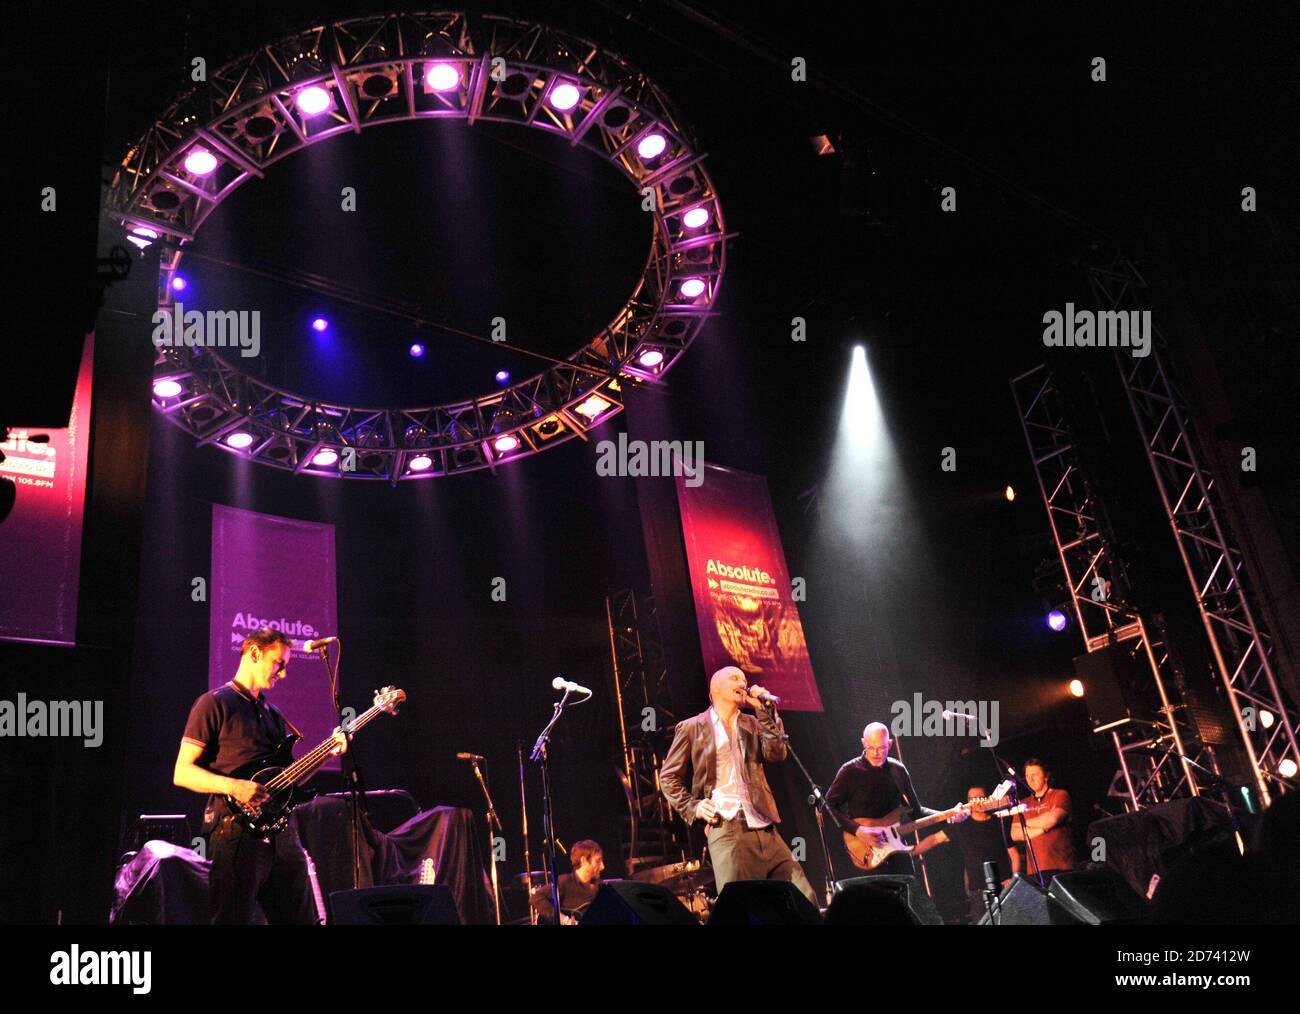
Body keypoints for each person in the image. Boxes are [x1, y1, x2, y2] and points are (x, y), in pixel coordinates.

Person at [173, 626, 346, 924]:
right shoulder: (214, 704)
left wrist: (329, 754)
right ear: (255, 653)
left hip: (282, 834)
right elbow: (182, 772)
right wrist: (235, 787)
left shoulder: (274, 714)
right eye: (279, 664)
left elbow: (287, 781)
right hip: (235, 831)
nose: (283, 674)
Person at [660, 665, 818, 905]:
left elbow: (777, 754)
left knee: (803, 899)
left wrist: (765, 711)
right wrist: (692, 807)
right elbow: (668, 777)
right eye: (735, 678)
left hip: (765, 826)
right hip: (727, 828)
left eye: (744, 679)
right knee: (742, 907)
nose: (743, 683)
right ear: (715, 689)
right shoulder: (692, 727)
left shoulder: (752, 723)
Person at [826, 722, 965, 876]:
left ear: (890, 744)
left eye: (881, 748)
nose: (876, 753)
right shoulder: (850, 771)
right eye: (871, 747)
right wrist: (857, 830)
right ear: (863, 743)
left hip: (896, 847)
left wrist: (949, 815)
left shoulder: (898, 770)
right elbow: (828, 806)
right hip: (865, 849)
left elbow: (916, 812)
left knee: (908, 893)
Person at [914, 782, 1019, 921]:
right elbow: (935, 839)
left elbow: (1014, 855)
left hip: (1002, 888)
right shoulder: (961, 827)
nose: (975, 801)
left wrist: (1013, 883)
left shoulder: (999, 823)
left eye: (979, 797)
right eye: (971, 798)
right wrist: (910, 851)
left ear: (987, 798)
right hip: (977, 893)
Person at [1010, 757, 1076, 880]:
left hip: (1061, 867)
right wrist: (1044, 828)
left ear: (1046, 776)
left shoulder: (1060, 794)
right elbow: (1015, 833)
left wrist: (1024, 824)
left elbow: (1052, 820)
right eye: (1027, 775)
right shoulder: (1023, 803)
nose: (1030, 779)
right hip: (1035, 871)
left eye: (1034, 774)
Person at [533, 839, 606, 924]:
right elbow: (535, 897)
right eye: (598, 861)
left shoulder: (600, 887)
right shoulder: (565, 882)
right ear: (583, 861)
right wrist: (564, 920)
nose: (602, 866)